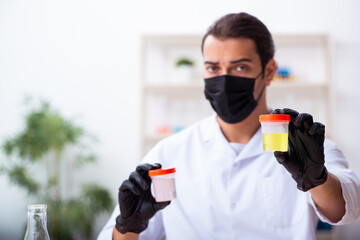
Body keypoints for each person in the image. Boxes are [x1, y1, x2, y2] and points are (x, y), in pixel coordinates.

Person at [98, 12, 360, 240]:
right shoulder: (169, 153)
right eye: (213, 68)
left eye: (240, 67)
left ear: (269, 71)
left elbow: (348, 208)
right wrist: (128, 224)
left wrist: (317, 179)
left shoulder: (308, 149)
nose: (224, 80)